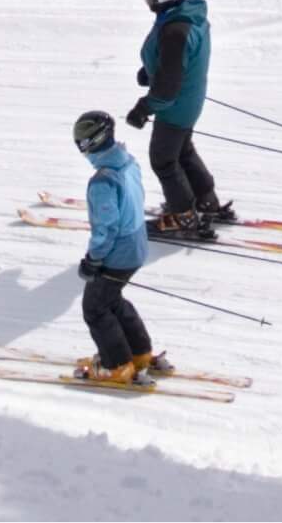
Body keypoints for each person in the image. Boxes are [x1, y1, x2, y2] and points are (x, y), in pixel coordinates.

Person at [126, 0, 233, 240]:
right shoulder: (187, 14)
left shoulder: (176, 30)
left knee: (163, 160)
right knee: (183, 152)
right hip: (189, 100)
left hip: (175, 106)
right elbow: (175, 64)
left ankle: (183, 216)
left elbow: (167, 87)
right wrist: (151, 70)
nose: (146, 1)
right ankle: (206, 202)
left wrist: (143, 108)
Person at [70, 109, 164, 384]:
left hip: (118, 253)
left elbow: (105, 229)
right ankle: (139, 354)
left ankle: (117, 365)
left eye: (81, 142)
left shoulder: (103, 181)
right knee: (112, 300)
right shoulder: (127, 163)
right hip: (137, 245)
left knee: (95, 308)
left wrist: (93, 259)